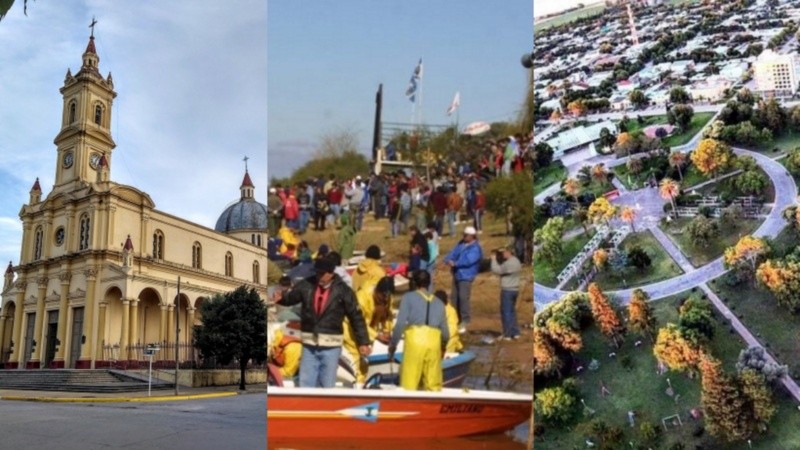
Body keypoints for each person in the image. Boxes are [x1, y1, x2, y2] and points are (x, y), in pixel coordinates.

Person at [274, 258, 371, 388]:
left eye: (322, 273)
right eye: (317, 272)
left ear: (331, 273)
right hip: (309, 345)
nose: (319, 276)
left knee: (327, 386)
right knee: (305, 385)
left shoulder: (344, 291)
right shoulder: (306, 284)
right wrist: (282, 299)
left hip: (332, 346)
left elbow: (356, 317)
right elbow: (291, 298)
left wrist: (363, 342)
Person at [389, 271, 449, 391]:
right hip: (433, 343)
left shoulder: (408, 297)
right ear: (429, 283)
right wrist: (442, 346)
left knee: (409, 384)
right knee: (433, 385)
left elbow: (400, 323)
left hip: (414, 342)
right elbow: (446, 334)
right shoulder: (439, 303)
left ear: (414, 283)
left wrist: (393, 345)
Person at [343, 276, 394, 385]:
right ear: (377, 291)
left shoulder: (388, 297)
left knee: (365, 362)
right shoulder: (362, 297)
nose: (385, 299)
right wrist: (376, 335)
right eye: (382, 296)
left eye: (387, 297)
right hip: (352, 331)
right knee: (356, 359)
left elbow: (388, 315)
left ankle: (362, 382)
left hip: (369, 332)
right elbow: (358, 322)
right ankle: (356, 384)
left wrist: (386, 330)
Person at [442, 226, 483, 333]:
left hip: (466, 275)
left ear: (472, 236)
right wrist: (447, 259)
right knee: (454, 297)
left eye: (466, 235)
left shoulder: (475, 248)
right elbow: (453, 253)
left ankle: (465, 320)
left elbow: (469, 260)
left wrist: (456, 263)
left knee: (463, 298)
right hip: (456, 274)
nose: (463, 237)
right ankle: (455, 318)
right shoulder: (461, 244)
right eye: (463, 234)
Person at [490, 246, 521, 340]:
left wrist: (493, 260)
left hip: (507, 290)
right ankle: (515, 332)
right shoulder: (516, 261)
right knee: (512, 312)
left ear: (509, 252)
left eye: (504, 252)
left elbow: (497, 270)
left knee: (506, 312)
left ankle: (507, 334)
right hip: (515, 289)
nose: (502, 254)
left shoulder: (509, 264)